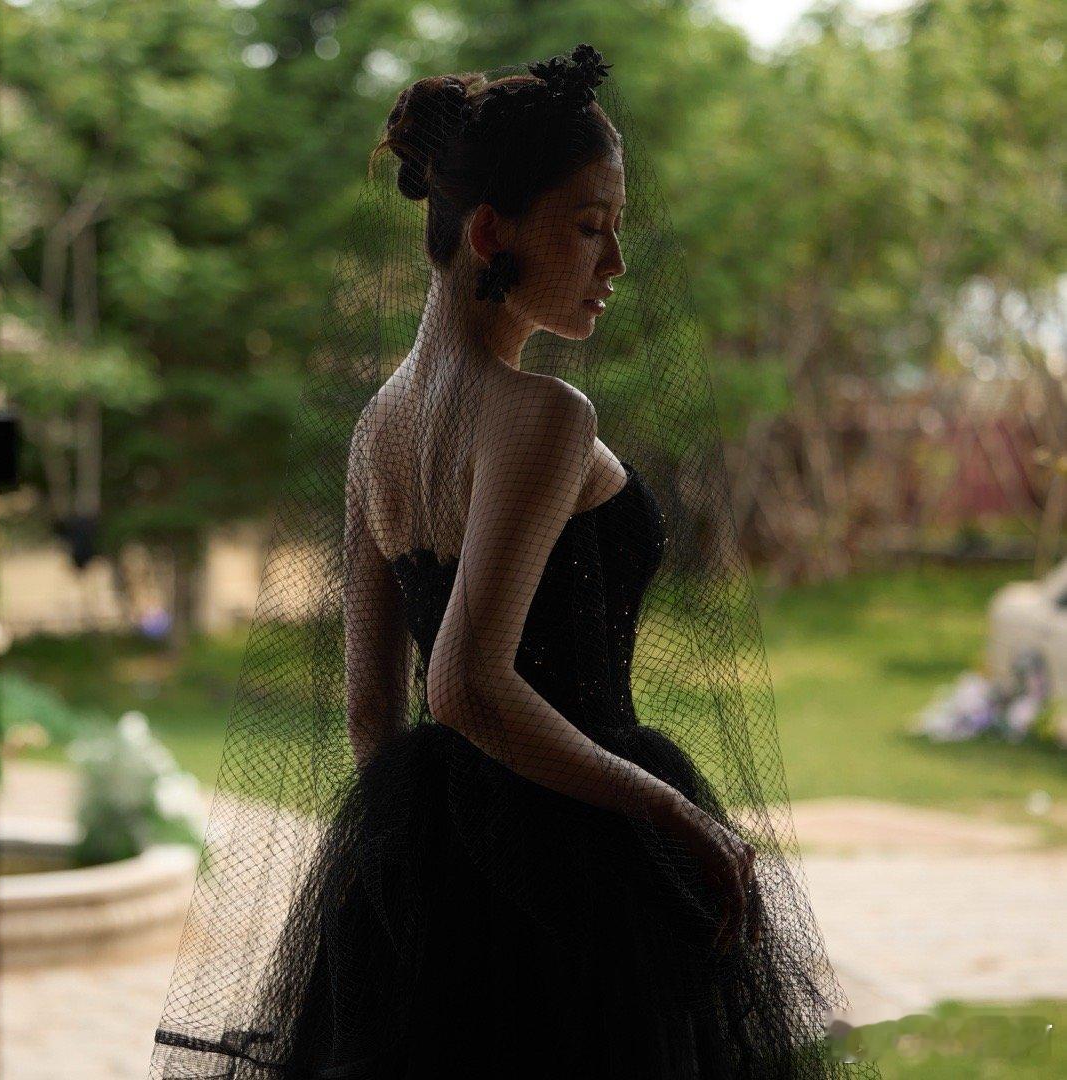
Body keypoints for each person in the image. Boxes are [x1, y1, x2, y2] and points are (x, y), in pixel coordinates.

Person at [151, 45, 880, 1078]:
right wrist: (675, 816)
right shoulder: (543, 415)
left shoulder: (377, 427)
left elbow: (373, 714)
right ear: (491, 232)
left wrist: (423, 877)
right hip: (584, 858)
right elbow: (464, 684)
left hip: (441, 865)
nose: (614, 263)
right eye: (588, 226)